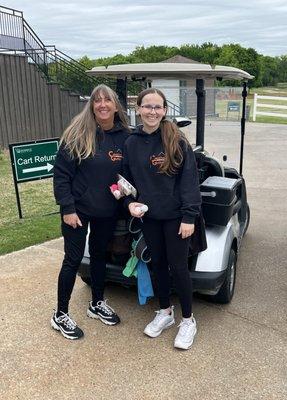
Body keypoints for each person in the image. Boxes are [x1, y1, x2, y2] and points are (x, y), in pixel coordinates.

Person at [123, 88, 203, 350]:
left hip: (177, 217)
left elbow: (189, 182)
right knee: (156, 264)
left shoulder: (177, 141)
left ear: (165, 110)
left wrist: (189, 216)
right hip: (150, 217)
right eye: (147, 106)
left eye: (158, 107)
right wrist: (129, 202)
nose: (152, 112)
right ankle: (165, 312)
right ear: (138, 109)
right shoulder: (131, 143)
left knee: (178, 267)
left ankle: (188, 320)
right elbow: (125, 182)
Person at [51, 84, 130, 340]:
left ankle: (96, 303)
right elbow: (61, 176)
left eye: (108, 100)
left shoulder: (125, 136)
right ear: (92, 105)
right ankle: (60, 313)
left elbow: (128, 174)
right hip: (78, 210)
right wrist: (67, 207)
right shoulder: (77, 133)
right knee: (72, 260)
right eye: (98, 101)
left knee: (98, 257)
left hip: (107, 210)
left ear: (116, 105)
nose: (103, 105)